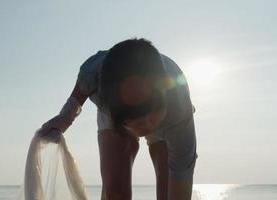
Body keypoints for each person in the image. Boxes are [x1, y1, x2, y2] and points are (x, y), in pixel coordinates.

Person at [37, 38, 198, 200]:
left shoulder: (179, 114)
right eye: (138, 122)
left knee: (168, 191)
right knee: (116, 192)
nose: (147, 127)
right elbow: (79, 91)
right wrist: (65, 117)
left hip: (170, 115)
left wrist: (150, 118)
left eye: (151, 116)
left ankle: (148, 117)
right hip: (117, 109)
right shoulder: (93, 77)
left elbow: (181, 180)